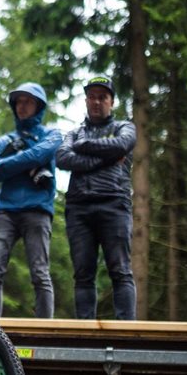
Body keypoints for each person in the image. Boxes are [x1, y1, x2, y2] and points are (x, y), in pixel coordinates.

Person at [55, 76, 137, 319]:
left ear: (112, 102)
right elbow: (62, 158)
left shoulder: (124, 127)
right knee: (83, 274)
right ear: (86, 101)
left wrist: (84, 146)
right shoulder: (74, 133)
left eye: (102, 97)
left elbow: (122, 145)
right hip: (79, 209)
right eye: (92, 97)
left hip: (115, 204)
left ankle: (126, 331)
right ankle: (84, 330)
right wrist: (106, 158)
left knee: (120, 270)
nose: (97, 102)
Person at [0, 82, 62, 319]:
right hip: (4, 211)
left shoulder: (52, 135)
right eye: (18, 101)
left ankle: (46, 331)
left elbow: (35, 155)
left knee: (40, 273)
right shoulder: (3, 141)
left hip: (38, 210)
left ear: (39, 106)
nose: (22, 106)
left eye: (28, 101)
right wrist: (30, 162)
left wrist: (11, 163)